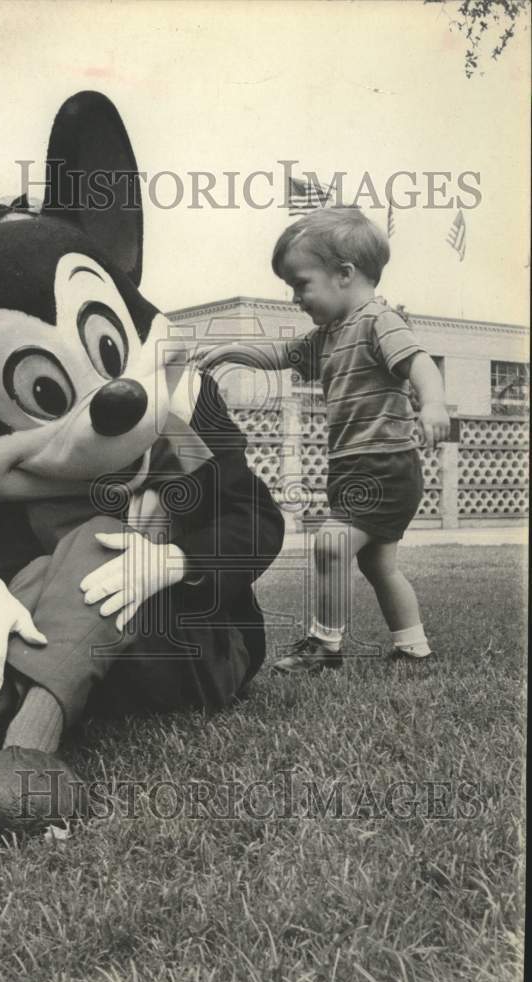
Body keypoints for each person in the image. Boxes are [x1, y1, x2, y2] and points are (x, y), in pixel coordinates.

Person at [195, 208, 450, 674]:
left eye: (301, 283)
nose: (296, 297)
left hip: (386, 464)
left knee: (330, 544)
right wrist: (229, 351)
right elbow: (280, 354)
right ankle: (414, 648)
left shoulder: (379, 321)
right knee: (378, 566)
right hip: (352, 467)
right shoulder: (327, 336)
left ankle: (325, 647)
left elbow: (420, 364)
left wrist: (432, 404)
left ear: (344, 275)